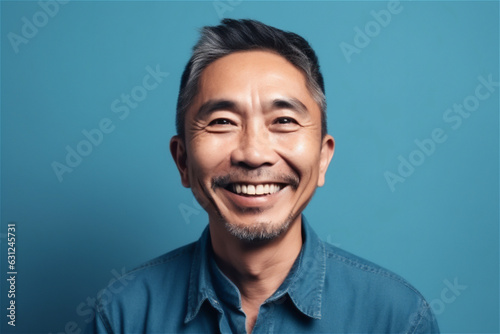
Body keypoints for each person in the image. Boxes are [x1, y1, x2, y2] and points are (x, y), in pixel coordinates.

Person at [88, 19, 439, 333]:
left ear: (322, 158)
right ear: (183, 161)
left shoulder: (398, 319)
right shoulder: (122, 316)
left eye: (284, 121)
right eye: (222, 121)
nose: (254, 154)